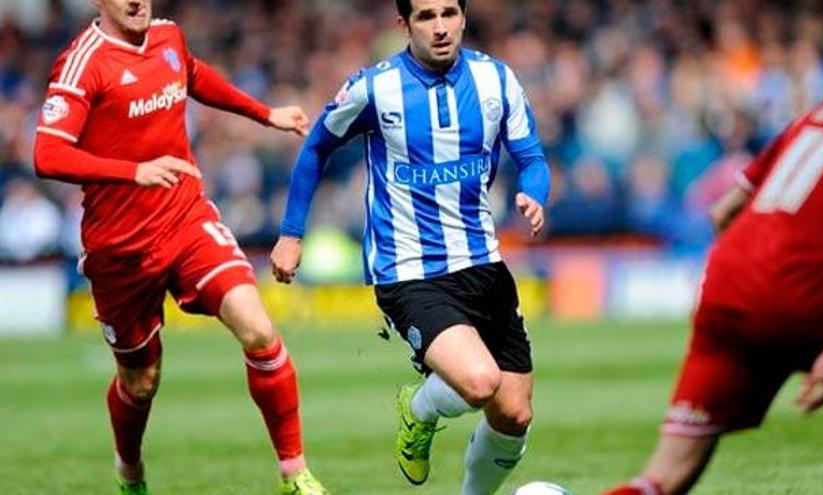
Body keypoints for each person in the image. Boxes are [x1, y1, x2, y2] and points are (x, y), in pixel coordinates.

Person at [32, 1, 330, 494]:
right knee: (141, 380)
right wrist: (134, 172)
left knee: (257, 328)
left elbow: (191, 74)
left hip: (186, 220)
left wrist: (265, 114)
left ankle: (294, 473)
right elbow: (48, 152)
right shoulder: (84, 62)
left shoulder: (168, 36)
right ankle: (130, 471)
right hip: (121, 248)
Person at [270, 0, 550, 493]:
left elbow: (531, 156)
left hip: (483, 262)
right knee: (478, 382)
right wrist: (292, 233)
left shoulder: (497, 80)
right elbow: (316, 147)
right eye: (425, 16)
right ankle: (417, 407)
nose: (439, 27)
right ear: (404, 23)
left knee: (514, 414)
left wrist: (535, 193)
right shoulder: (374, 88)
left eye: (448, 13)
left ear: (464, 17)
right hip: (408, 270)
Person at [600, 91, 823, 495]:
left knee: (665, 476)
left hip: (726, 283)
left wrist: (750, 282)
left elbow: (722, 211)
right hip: (802, 289)